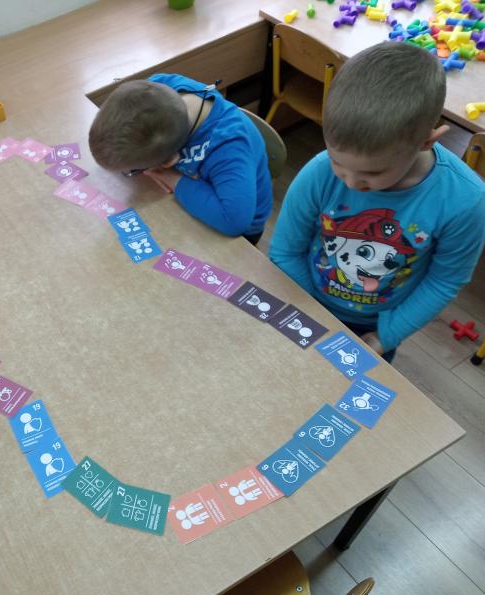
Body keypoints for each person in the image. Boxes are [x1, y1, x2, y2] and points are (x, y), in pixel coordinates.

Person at [269, 42, 485, 362]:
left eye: (372, 173)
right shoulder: (319, 172)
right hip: (305, 297)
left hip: (376, 328)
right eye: (337, 161)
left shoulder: (466, 200)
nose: (350, 182)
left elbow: (445, 279)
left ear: (427, 142)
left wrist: (387, 335)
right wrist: (311, 312)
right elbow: (285, 251)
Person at [88, 74, 273, 244]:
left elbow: (234, 222)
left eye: (133, 170)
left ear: (168, 162)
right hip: (199, 198)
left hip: (239, 234)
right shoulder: (155, 91)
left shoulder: (229, 149)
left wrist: (173, 178)